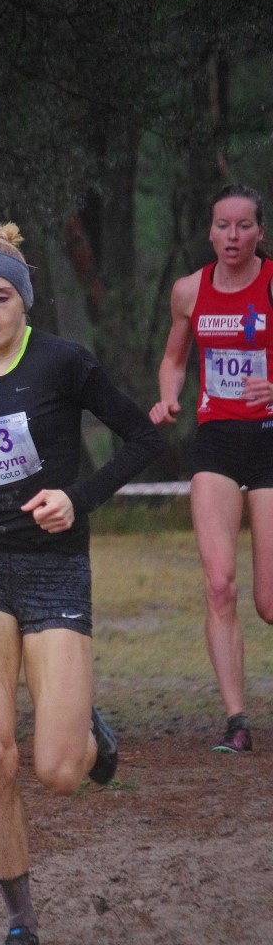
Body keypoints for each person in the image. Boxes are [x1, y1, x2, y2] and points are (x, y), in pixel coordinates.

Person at [0, 222, 166, 945]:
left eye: (1, 296)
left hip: (56, 569)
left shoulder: (64, 362)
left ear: (24, 301)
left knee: (59, 771)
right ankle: (20, 926)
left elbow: (143, 439)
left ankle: (87, 727)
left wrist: (76, 498)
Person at [149, 183, 273, 754]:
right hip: (216, 442)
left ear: (260, 232)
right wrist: (167, 396)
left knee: (268, 603)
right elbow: (174, 359)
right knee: (219, 584)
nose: (233, 235)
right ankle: (236, 721)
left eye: (244, 226)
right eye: (223, 225)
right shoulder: (188, 291)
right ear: (210, 231)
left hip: (269, 440)